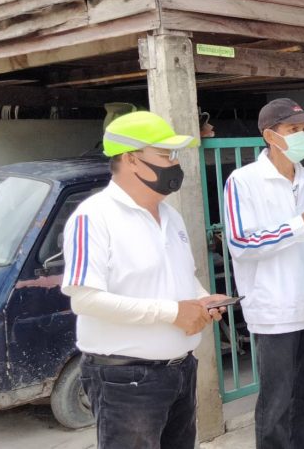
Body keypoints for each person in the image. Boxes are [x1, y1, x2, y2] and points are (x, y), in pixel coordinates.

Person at [61, 111, 229, 448]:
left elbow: (183, 278)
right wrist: (173, 312)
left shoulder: (171, 215)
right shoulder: (93, 217)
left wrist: (201, 300)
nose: (175, 163)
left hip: (181, 370)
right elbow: (85, 300)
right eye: (166, 154)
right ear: (130, 159)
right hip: (126, 380)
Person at [224, 98, 304, 449]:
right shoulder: (243, 181)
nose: (303, 136)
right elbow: (241, 243)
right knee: (276, 401)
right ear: (270, 136)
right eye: (293, 129)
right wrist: (300, 223)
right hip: (275, 311)